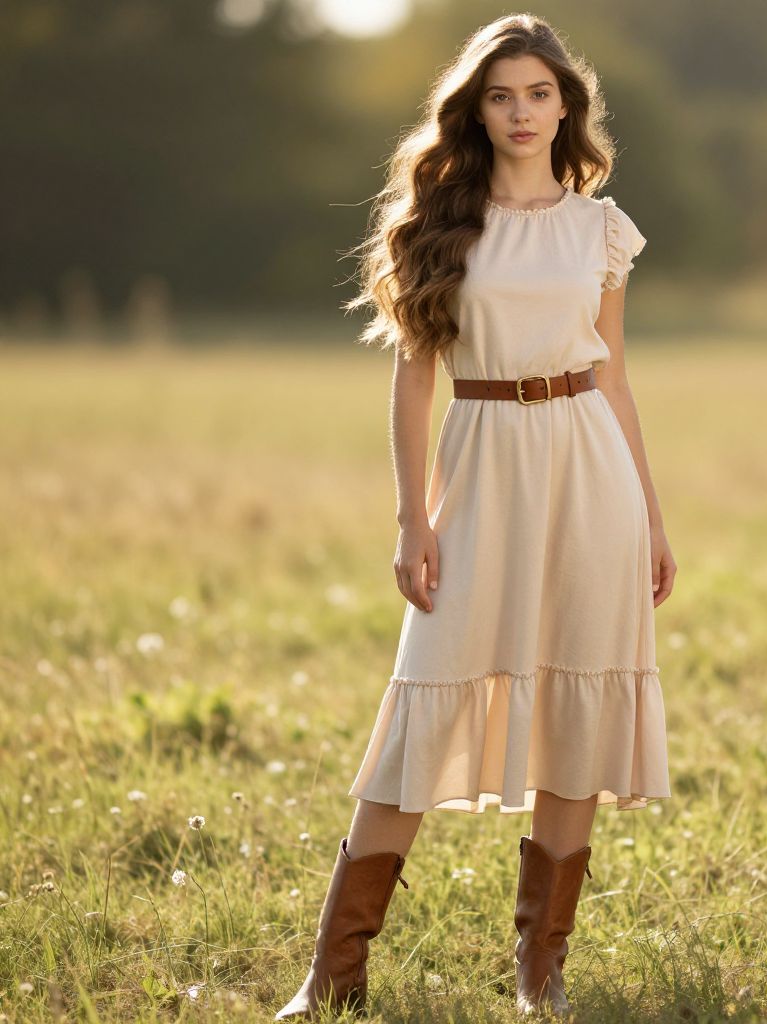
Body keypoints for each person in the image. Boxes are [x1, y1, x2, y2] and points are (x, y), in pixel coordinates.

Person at [275, 12, 676, 1021]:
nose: (521, 113)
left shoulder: (601, 226)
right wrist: (413, 520)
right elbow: (415, 383)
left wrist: (653, 516)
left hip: (591, 468)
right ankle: (332, 979)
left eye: (539, 94)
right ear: (475, 109)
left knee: (578, 707)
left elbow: (615, 378)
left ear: (566, 105)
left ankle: (540, 974)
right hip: (484, 461)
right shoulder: (440, 220)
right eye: (501, 95)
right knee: (426, 695)